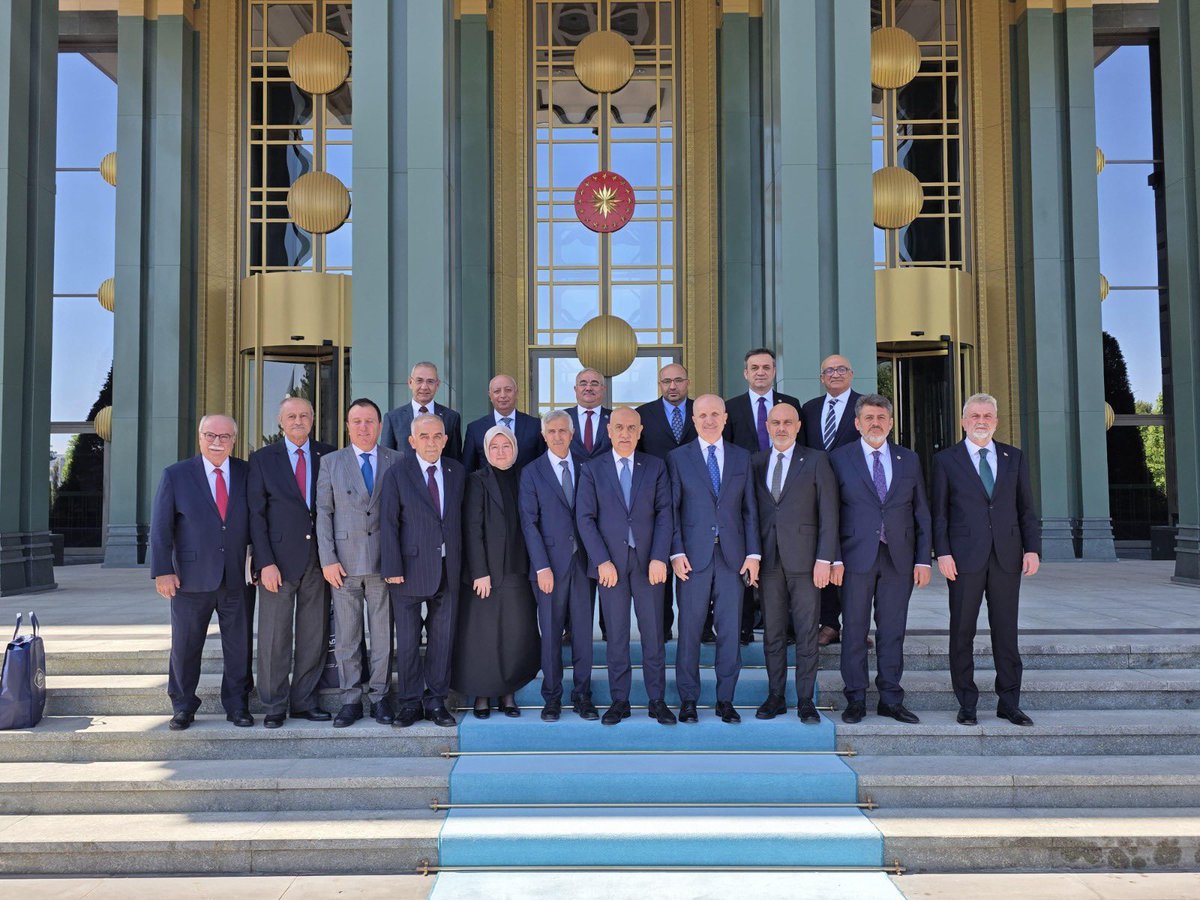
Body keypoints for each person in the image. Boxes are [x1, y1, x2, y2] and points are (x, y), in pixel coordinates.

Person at [932, 393, 1042, 728]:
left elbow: (1026, 508)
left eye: (988, 416)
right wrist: (943, 552)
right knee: (962, 632)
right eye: (975, 415)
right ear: (964, 420)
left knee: (1006, 632)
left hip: (1007, 557)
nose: (982, 421)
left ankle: (1009, 702)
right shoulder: (946, 460)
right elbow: (939, 513)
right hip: (963, 559)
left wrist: (1032, 548)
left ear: (996, 420)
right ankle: (967, 702)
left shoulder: (1014, 457)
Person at [829, 394, 931, 726]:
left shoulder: (908, 459)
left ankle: (890, 698)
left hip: (898, 558)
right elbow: (830, 513)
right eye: (869, 417)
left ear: (890, 423)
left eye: (881, 418)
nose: (875, 423)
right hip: (855, 556)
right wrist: (833, 559)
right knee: (855, 629)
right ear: (857, 423)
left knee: (892, 631)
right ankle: (855, 698)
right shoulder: (839, 458)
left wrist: (923, 559)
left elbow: (921, 513)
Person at [150, 415, 253, 731]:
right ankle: (182, 705)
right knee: (186, 644)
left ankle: (237, 705)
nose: (217, 442)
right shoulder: (177, 475)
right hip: (190, 578)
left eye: (225, 436)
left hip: (237, 576)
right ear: (200, 437)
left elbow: (258, 522)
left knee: (239, 645)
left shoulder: (247, 473)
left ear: (234, 439)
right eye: (211, 435)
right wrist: (163, 571)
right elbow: (161, 528)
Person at [576, 407, 676, 726]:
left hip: (649, 564)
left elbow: (665, 514)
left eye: (631, 428)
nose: (624, 433)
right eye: (619, 427)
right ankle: (620, 701)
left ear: (640, 430)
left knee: (653, 633)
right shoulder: (593, 469)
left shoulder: (655, 466)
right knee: (616, 635)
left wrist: (660, 556)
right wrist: (601, 560)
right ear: (609, 430)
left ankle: (656, 700)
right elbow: (585, 518)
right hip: (611, 566)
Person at [668, 394, 761, 724]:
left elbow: (750, 510)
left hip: (733, 559)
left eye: (715, 414)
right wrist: (676, 552)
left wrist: (753, 554)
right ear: (693, 420)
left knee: (730, 631)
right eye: (702, 415)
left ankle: (726, 700)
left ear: (724, 418)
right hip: (692, 558)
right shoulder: (678, 458)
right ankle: (689, 700)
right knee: (690, 631)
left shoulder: (741, 457)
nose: (709, 420)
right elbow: (672, 511)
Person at [247, 397, 335, 728]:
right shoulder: (263, 459)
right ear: (280, 421)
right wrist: (264, 562)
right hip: (277, 565)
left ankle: (304, 701)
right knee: (274, 636)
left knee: (314, 634)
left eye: (304, 415)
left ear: (313, 419)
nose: (298, 420)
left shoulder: (328, 454)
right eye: (291, 416)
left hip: (318, 562)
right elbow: (256, 515)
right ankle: (273, 703)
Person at [315, 398, 401, 728]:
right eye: (357, 422)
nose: (363, 427)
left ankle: (379, 697)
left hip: (384, 562)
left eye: (369, 421)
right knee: (348, 636)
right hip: (344, 564)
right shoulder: (332, 463)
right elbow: (324, 513)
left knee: (382, 636)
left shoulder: (397, 459)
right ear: (348, 426)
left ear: (379, 426)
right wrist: (327, 560)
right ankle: (350, 699)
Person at [750, 403, 838, 724]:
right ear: (768, 426)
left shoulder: (815, 460)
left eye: (788, 422)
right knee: (772, 632)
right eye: (776, 422)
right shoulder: (755, 462)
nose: (782, 427)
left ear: (798, 426)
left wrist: (825, 559)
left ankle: (804, 699)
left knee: (805, 633)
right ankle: (775, 696)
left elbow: (829, 513)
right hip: (768, 562)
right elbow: (750, 513)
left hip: (806, 562)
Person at [381, 412, 466, 728]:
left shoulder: (456, 471)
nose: (432, 442)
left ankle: (436, 701)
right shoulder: (397, 473)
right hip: (408, 570)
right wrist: (391, 566)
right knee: (407, 640)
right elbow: (388, 523)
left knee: (442, 639)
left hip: (448, 568)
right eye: (425, 437)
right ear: (412, 441)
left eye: (437, 436)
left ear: (445, 440)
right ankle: (409, 702)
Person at [454, 425, 541, 718]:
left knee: (514, 635)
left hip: (519, 570)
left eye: (506, 446)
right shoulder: (476, 481)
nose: (500, 452)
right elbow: (471, 528)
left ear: (514, 449)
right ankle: (481, 695)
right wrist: (480, 571)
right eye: (494, 447)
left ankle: (507, 694)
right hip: (487, 574)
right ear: (486, 451)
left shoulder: (526, 477)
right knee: (483, 636)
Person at [518, 411, 599, 721]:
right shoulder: (532, 472)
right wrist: (541, 567)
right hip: (548, 567)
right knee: (550, 633)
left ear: (572, 433)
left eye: (562, 430)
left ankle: (583, 696)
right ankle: (552, 697)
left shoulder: (587, 468)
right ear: (544, 435)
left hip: (582, 564)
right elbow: (529, 523)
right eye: (551, 431)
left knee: (582, 634)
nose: (557, 436)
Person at [724, 348, 800, 645]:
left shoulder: (791, 406)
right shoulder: (732, 407)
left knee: (786, 563)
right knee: (746, 559)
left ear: (774, 371)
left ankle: (786, 628)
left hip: (784, 499)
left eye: (766, 367)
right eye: (754, 367)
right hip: (745, 496)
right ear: (745, 373)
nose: (760, 372)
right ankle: (743, 627)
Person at [800, 355, 864, 648]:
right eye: (828, 370)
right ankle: (829, 623)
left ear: (851, 374)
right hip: (816, 496)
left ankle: (856, 627)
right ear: (821, 377)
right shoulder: (810, 409)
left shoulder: (866, 406)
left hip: (856, 497)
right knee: (823, 557)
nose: (835, 374)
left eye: (840, 369)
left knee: (854, 563)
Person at [635, 362, 696, 641]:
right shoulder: (643, 415)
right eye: (666, 381)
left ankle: (699, 627)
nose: (672, 386)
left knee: (694, 566)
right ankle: (662, 627)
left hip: (696, 502)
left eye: (678, 380)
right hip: (654, 504)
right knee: (659, 565)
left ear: (687, 382)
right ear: (660, 384)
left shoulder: (702, 412)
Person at [462, 374, 546, 473]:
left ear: (516, 393)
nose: (503, 395)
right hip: (488, 488)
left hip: (527, 487)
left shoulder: (535, 425)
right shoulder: (475, 428)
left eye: (508, 390)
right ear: (490, 396)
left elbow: (543, 464)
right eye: (497, 391)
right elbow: (468, 469)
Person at [380, 361, 463, 460]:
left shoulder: (451, 418)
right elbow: (386, 458)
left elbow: (455, 459)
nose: (424, 387)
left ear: (437, 385)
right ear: (410, 382)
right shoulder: (393, 418)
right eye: (419, 381)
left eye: (430, 381)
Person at [564, 368, 612, 460]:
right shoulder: (562, 417)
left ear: (603, 389)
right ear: (575, 389)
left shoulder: (614, 418)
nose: (589, 388)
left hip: (605, 473)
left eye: (594, 384)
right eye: (583, 384)